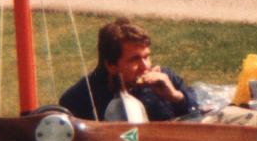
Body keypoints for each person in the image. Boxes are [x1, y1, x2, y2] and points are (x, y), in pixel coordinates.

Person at [60, 17, 198, 121]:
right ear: (111, 65)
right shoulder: (79, 98)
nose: (145, 66)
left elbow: (198, 117)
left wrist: (176, 97)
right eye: (135, 59)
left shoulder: (165, 80)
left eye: (146, 56)